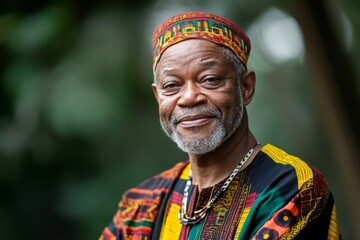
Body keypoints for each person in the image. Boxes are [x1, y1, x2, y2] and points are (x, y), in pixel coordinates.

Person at [99, 11, 341, 239]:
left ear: (245, 88)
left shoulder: (293, 189)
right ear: (157, 97)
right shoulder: (140, 205)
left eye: (210, 80)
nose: (189, 97)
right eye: (172, 85)